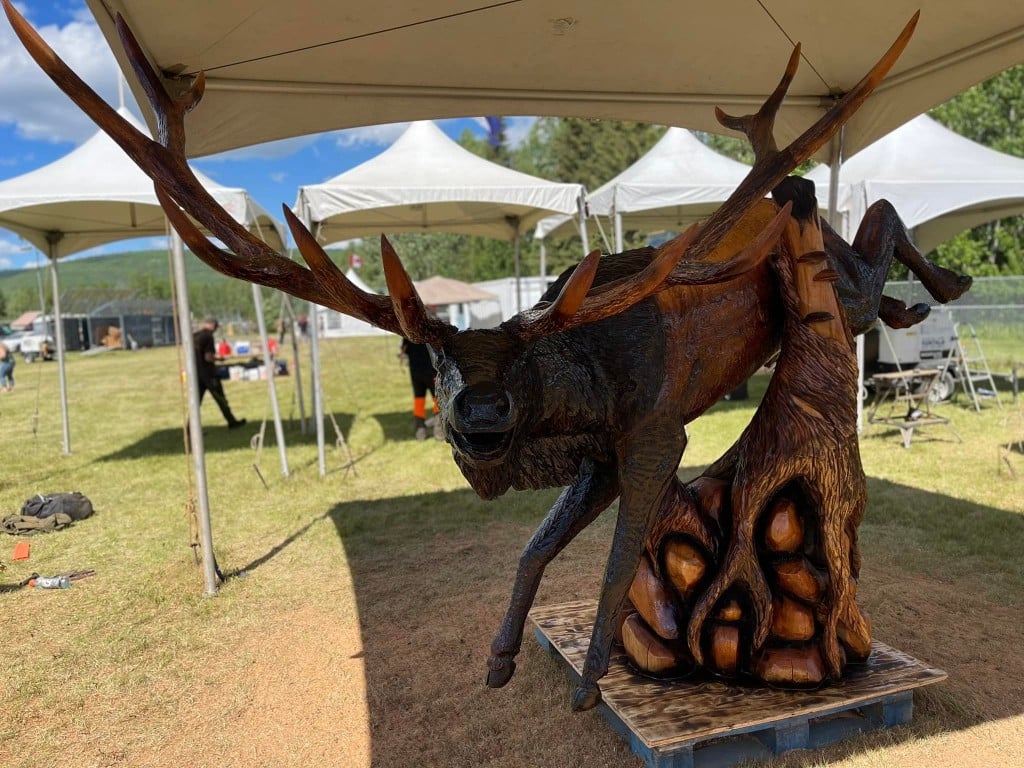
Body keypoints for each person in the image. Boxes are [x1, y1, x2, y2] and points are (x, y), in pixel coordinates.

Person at [194, 318, 246, 429]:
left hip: (196, 374)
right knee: (220, 398)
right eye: (216, 327)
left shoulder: (195, 335)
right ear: (213, 325)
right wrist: (219, 359)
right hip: (208, 374)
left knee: (196, 402)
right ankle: (232, 422)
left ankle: (191, 428)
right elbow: (208, 357)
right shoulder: (208, 336)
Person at [400, 338, 442, 441]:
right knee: (437, 401)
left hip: (416, 373)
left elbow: (403, 350)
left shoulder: (407, 334)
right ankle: (439, 433)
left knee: (419, 401)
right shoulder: (429, 333)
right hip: (431, 373)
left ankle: (420, 433)